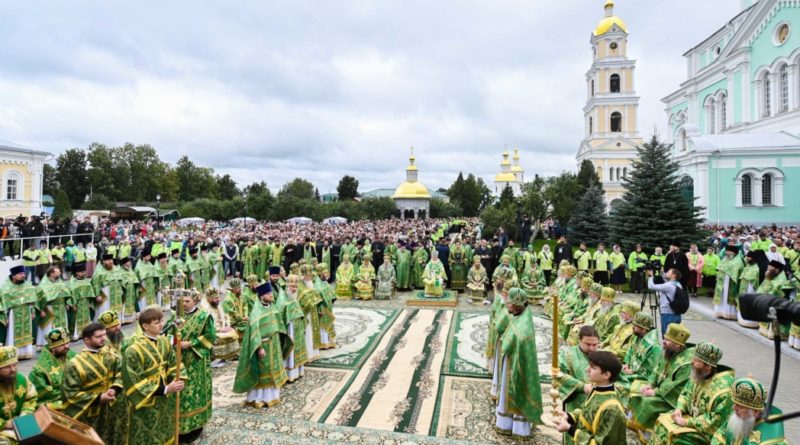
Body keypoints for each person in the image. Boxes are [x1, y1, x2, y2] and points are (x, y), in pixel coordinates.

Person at [651, 342, 735, 445]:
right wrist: (679, 408)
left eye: (696, 361)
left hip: (707, 432)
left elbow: (715, 421)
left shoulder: (723, 390)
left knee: (673, 434)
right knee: (661, 421)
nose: (691, 362)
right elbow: (685, 393)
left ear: (708, 366)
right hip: (690, 417)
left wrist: (687, 422)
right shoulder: (699, 374)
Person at [122, 306, 184, 445]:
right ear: (145, 326)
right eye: (157, 323)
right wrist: (166, 389)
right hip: (146, 401)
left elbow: (174, 364)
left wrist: (176, 380)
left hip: (164, 399)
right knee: (148, 434)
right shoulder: (133, 350)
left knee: (165, 429)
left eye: (161, 321)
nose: (162, 324)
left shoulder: (164, 341)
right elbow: (133, 380)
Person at [62, 322, 126, 445]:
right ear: (86, 339)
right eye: (98, 336)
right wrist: (99, 398)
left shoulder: (111, 355)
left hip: (113, 409)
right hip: (90, 414)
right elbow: (70, 394)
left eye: (104, 335)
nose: (104, 338)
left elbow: (121, 371)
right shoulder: (75, 364)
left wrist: (114, 388)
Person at [628, 323, 694, 438]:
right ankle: (635, 426)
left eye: (668, 340)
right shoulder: (669, 351)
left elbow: (675, 386)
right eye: (664, 338)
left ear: (678, 346)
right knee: (635, 392)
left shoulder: (686, 363)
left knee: (647, 403)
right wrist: (650, 384)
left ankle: (648, 434)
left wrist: (655, 392)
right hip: (659, 389)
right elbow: (657, 368)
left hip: (671, 398)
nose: (663, 342)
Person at [494, 288, 543, 438]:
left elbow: (513, 340)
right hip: (510, 362)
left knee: (516, 392)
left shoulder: (524, 328)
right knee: (505, 395)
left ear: (517, 305)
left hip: (516, 365)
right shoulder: (519, 315)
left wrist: (505, 343)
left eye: (509, 302)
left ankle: (519, 428)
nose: (507, 304)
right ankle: (506, 424)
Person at [167, 290, 216, 442]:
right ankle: (179, 426)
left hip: (196, 360)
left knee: (194, 392)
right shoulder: (176, 316)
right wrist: (172, 341)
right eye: (182, 301)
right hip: (178, 359)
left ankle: (195, 426)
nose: (184, 303)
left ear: (195, 301)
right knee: (180, 392)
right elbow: (168, 333)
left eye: (187, 301)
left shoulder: (204, 317)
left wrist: (191, 343)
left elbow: (211, 337)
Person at [233, 282, 290, 408]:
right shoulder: (256, 312)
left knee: (273, 369)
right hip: (263, 346)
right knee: (263, 371)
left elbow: (278, 322)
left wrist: (281, 337)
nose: (271, 296)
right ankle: (258, 398)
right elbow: (254, 332)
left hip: (274, 344)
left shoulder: (272, 307)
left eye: (271, 293)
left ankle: (272, 396)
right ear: (261, 295)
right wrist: (259, 348)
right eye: (268, 294)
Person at [554, 350, 627, 444]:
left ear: (606, 375)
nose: (587, 369)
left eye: (592, 367)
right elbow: (588, 412)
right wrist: (568, 416)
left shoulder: (612, 408)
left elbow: (600, 442)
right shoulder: (597, 389)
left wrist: (570, 429)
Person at [711, 377, 787, 445]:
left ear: (756, 412)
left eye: (740, 407)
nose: (734, 408)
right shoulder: (738, 418)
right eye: (735, 404)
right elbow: (719, 436)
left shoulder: (771, 438)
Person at [558, 325, 600, 440]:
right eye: (588, 344)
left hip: (598, 406)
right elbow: (558, 375)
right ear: (580, 340)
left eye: (595, 345)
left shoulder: (603, 357)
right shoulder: (567, 355)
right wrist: (582, 387)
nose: (592, 348)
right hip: (575, 402)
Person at [618, 312, 662, 401]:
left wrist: (633, 371)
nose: (632, 327)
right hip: (630, 371)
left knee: (619, 385)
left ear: (643, 329)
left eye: (635, 325)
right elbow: (629, 352)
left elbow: (651, 370)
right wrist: (626, 364)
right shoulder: (636, 336)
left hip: (641, 378)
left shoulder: (654, 347)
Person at [29, 327, 75, 409]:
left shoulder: (70, 353)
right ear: (52, 347)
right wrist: (71, 395)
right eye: (62, 345)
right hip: (55, 401)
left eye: (67, 343)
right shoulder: (40, 369)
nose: (66, 346)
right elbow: (44, 393)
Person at [0, 346, 37, 442]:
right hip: (2, 429)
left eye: (15, 365)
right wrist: (5, 424)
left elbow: (31, 398)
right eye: (7, 367)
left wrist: (24, 415)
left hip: (20, 421)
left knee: (37, 434)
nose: (13, 370)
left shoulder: (22, 380)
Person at [2, 265, 37, 360]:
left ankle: (26, 352)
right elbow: (4, 303)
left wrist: (33, 311)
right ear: (14, 276)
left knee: (27, 332)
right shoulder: (6, 287)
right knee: (13, 333)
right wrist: (5, 317)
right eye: (21, 274)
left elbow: (32, 300)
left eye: (24, 273)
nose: (23, 275)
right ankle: (14, 354)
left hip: (26, 311)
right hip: (13, 313)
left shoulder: (27, 285)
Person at [201, 288, 241, 366]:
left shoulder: (217, 305)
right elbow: (208, 326)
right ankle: (217, 358)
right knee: (224, 337)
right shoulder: (206, 310)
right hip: (213, 332)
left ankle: (230, 356)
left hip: (222, 328)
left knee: (233, 332)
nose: (218, 300)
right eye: (216, 298)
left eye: (218, 298)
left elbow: (225, 316)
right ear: (209, 299)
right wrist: (221, 330)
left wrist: (228, 325)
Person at [34, 266, 71, 349]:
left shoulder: (60, 282)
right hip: (50, 308)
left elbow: (65, 293)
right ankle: (48, 344)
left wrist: (66, 303)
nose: (60, 273)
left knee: (62, 325)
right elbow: (39, 299)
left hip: (61, 307)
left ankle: (63, 342)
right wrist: (41, 310)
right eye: (58, 272)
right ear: (51, 273)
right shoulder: (43, 285)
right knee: (49, 327)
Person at [280, 275, 308, 381]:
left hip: (298, 329)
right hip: (290, 329)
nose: (294, 289)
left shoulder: (295, 300)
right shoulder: (283, 300)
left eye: (295, 287)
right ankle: (290, 373)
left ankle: (299, 371)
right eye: (292, 286)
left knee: (298, 348)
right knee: (291, 350)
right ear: (287, 286)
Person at [647, 267, 684, 335]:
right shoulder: (678, 284)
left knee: (666, 336)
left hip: (667, 315)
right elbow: (667, 281)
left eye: (668, 272)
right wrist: (662, 272)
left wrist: (650, 276)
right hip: (676, 314)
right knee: (673, 336)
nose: (666, 273)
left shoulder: (668, 286)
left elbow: (651, 286)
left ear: (673, 275)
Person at [714, 245, 742, 321]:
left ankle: (730, 314)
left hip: (731, 282)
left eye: (728, 251)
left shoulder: (738, 261)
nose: (727, 253)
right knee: (723, 295)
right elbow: (720, 268)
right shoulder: (725, 259)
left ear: (734, 252)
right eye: (726, 251)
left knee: (728, 296)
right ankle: (721, 312)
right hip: (722, 281)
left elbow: (737, 272)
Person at [69, 262, 96, 341]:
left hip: (85, 303)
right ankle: (76, 334)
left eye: (84, 271)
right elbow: (71, 295)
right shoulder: (72, 283)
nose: (84, 273)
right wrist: (73, 305)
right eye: (82, 272)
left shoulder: (86, 281)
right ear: (77, 273)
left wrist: (89, 303)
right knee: (77, 319)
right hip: (77, 304)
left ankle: (86, 332)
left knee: (86, 318)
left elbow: (90, 294)